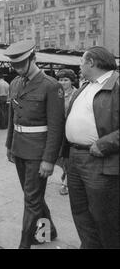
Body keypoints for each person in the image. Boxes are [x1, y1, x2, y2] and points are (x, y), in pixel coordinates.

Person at [4, 40, 65, 249]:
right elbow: (13, 118)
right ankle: (48, 231)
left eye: (22, 64)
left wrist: (49, 159)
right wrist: (9, 145)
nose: (18, 68)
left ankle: (24, 244)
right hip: (20, 148)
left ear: (33, 59)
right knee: (33, 196)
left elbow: (56, 127)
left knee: (31, 198)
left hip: (38, 152)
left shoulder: (51, 86)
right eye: (15, 65)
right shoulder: (14, 84)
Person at [62, 46, 119, 249]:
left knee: (104, 217)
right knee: (80, 212)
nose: (79, 67)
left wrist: (104, 144)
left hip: (100, 161)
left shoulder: (117, 84)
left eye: (81, 62)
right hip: (75, 158)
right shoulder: (86, 86)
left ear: (92, 62)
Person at [55, 69, 78, 196]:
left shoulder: (76, 94)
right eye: (60, 79)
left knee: (68, 157)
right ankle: (65, 172)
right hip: (58, 131)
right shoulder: (56, 93)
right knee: (59, 157)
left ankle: (66, 183)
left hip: (70, 131)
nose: (62, 82)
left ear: (71, 81)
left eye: (65, 80)